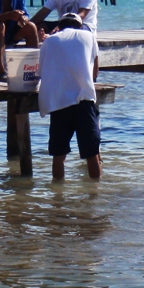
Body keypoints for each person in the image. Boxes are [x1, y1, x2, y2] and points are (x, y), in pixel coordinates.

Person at [38, 12, 101, 180]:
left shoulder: (49, 41)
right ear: (80, 26)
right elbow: (95, 71)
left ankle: (58, 200)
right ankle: (95, 196)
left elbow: (41, 72)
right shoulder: (89, 36)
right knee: (92, 154)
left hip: (58, 103)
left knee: (59, 157)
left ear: (60, 26)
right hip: (84, 101)